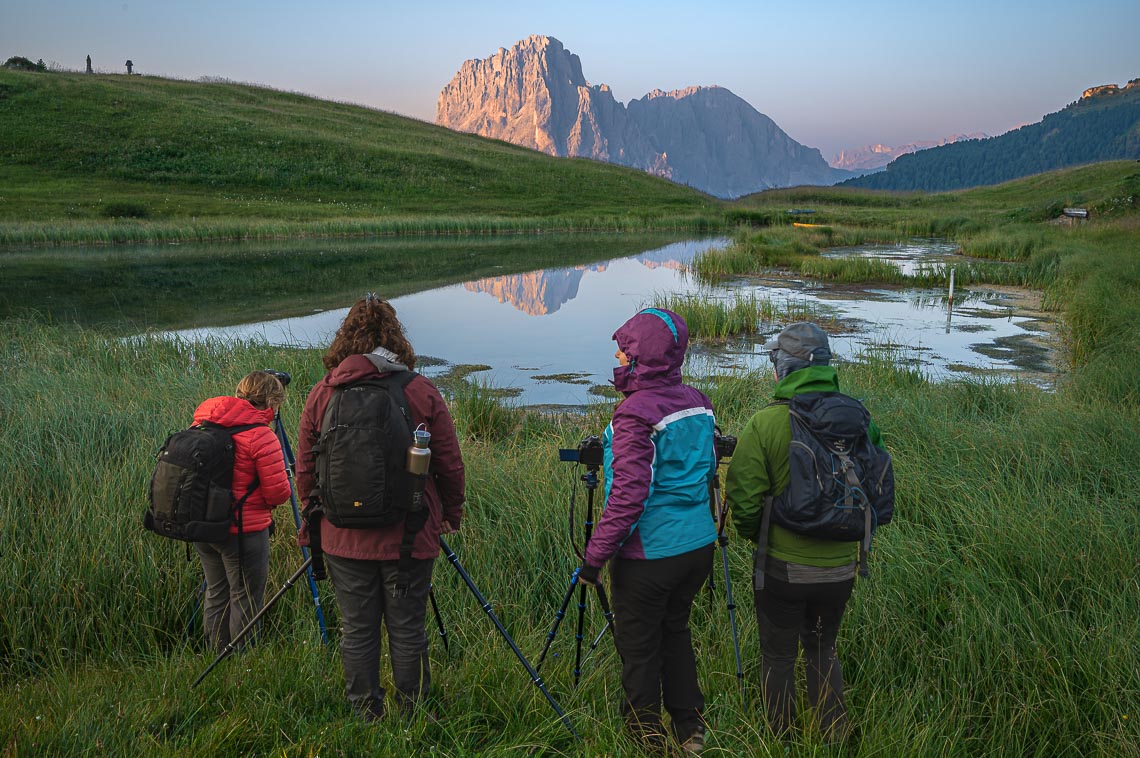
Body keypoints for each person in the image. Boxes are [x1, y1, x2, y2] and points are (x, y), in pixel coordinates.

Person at [296, 295, 465, 722]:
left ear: (345, 339)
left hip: (340, 537)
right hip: (408, 534)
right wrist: (452, 512)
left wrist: (312, 522)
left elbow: (305, 471)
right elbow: (448, 462)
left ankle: (365, 715)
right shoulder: (419, 389)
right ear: (396, 340)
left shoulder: (322, 393)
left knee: (357, 630)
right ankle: (414, 715)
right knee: (408, 628)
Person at [725, 322, 887, 743]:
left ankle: (780, 741)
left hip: (783, 570)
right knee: (821, 650)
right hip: (841, 569)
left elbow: (743, 500)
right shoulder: (861, 419)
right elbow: (876, 483)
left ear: (782, 367)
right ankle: (834, 737)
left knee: (778, 656)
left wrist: (756, 536)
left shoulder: (765, 423)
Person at [578, 307, 718, 754]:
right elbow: (707, 471)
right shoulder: (699, 402)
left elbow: (629, 496)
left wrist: (594, 557)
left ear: (643, 358)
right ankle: (690, 732)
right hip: (697, 546)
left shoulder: (634, 414)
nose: (618, 355)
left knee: (639, 650)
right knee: (674, 633)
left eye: (625, 349)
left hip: (650, 554)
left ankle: (646, 740)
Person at [193, 370, 292, 652]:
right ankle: (243, 664)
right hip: (243, 532)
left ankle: (216, 656)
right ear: (272, 401)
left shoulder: (203, 422)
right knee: (246, 597)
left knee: (217, 592)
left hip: (204, 526)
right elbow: (279, 494)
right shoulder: (261, 436)